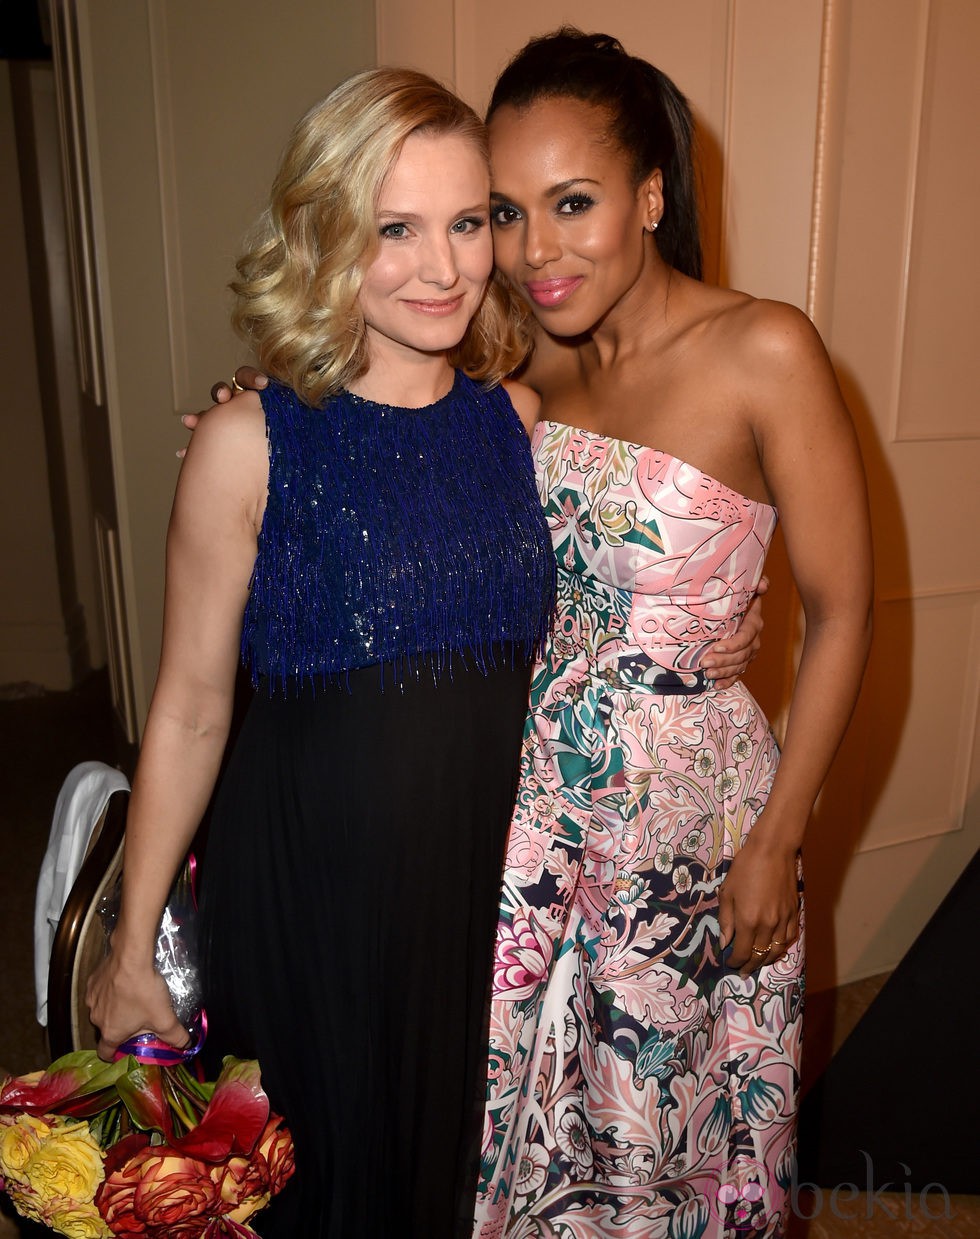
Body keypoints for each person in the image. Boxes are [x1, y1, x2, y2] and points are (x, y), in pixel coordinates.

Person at [85, 67, 560, 1239]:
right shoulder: (248, 444)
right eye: (392, 229)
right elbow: (191, 707)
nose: (442, 269)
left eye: (466, 223)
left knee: (450, 1175)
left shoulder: (519, 422)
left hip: (476, 900)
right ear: (323, 236)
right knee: (314, 1186)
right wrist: (132, 942)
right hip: (307, 898)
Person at [467, 29, 872, 1239]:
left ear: (649, 194)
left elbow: (843, 616)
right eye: (507, 211)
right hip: (533, 799)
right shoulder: (525, 352)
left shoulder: (764, 349)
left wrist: (777, 838)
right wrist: (262, 415)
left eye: (572, 203)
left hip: (687, 819)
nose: (535, 251)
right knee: (523, 1100)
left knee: (654, 1122)